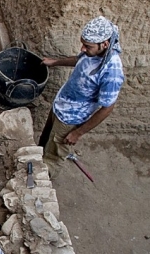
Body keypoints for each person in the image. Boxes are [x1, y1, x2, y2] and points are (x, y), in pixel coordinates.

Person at [38, 16, 125, 179]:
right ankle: (36, 164)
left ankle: (41, 185)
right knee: (44, 142)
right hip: (60, 107)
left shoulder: (111, 71)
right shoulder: (93, 53)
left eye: (87, 46)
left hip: (71, 119)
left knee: (52, 157)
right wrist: (55, 62)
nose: (83, 49)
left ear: (104, 44)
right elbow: (79, 60)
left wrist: (78, 132)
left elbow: (107, 108)